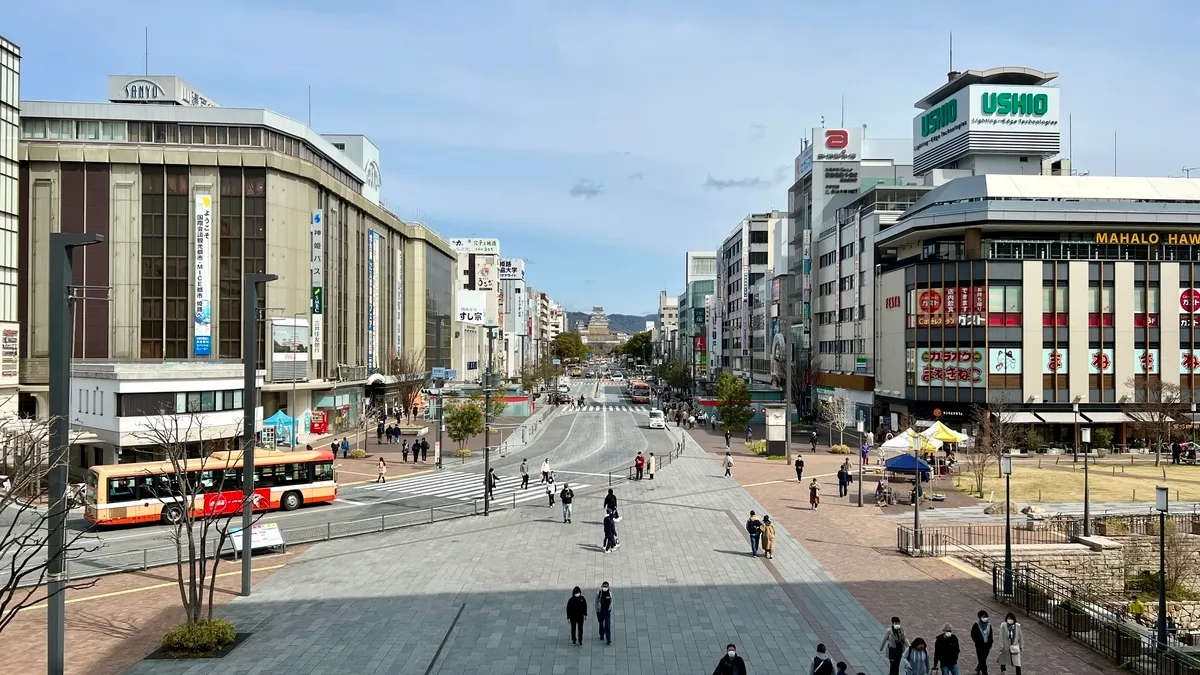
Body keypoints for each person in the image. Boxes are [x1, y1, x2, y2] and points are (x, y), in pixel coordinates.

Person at [971, 610, 993, 675]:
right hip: (979, 646)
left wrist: (990, 643)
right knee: (982, 661)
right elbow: (972, 634)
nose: (985, 618)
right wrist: (977, 642)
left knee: (983, 659)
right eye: (983, 617)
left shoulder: (989, 625)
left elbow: (991, 635)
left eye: (986, 616)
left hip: (987, 645)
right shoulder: (976, 625)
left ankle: (978, 668)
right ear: (980, 617)